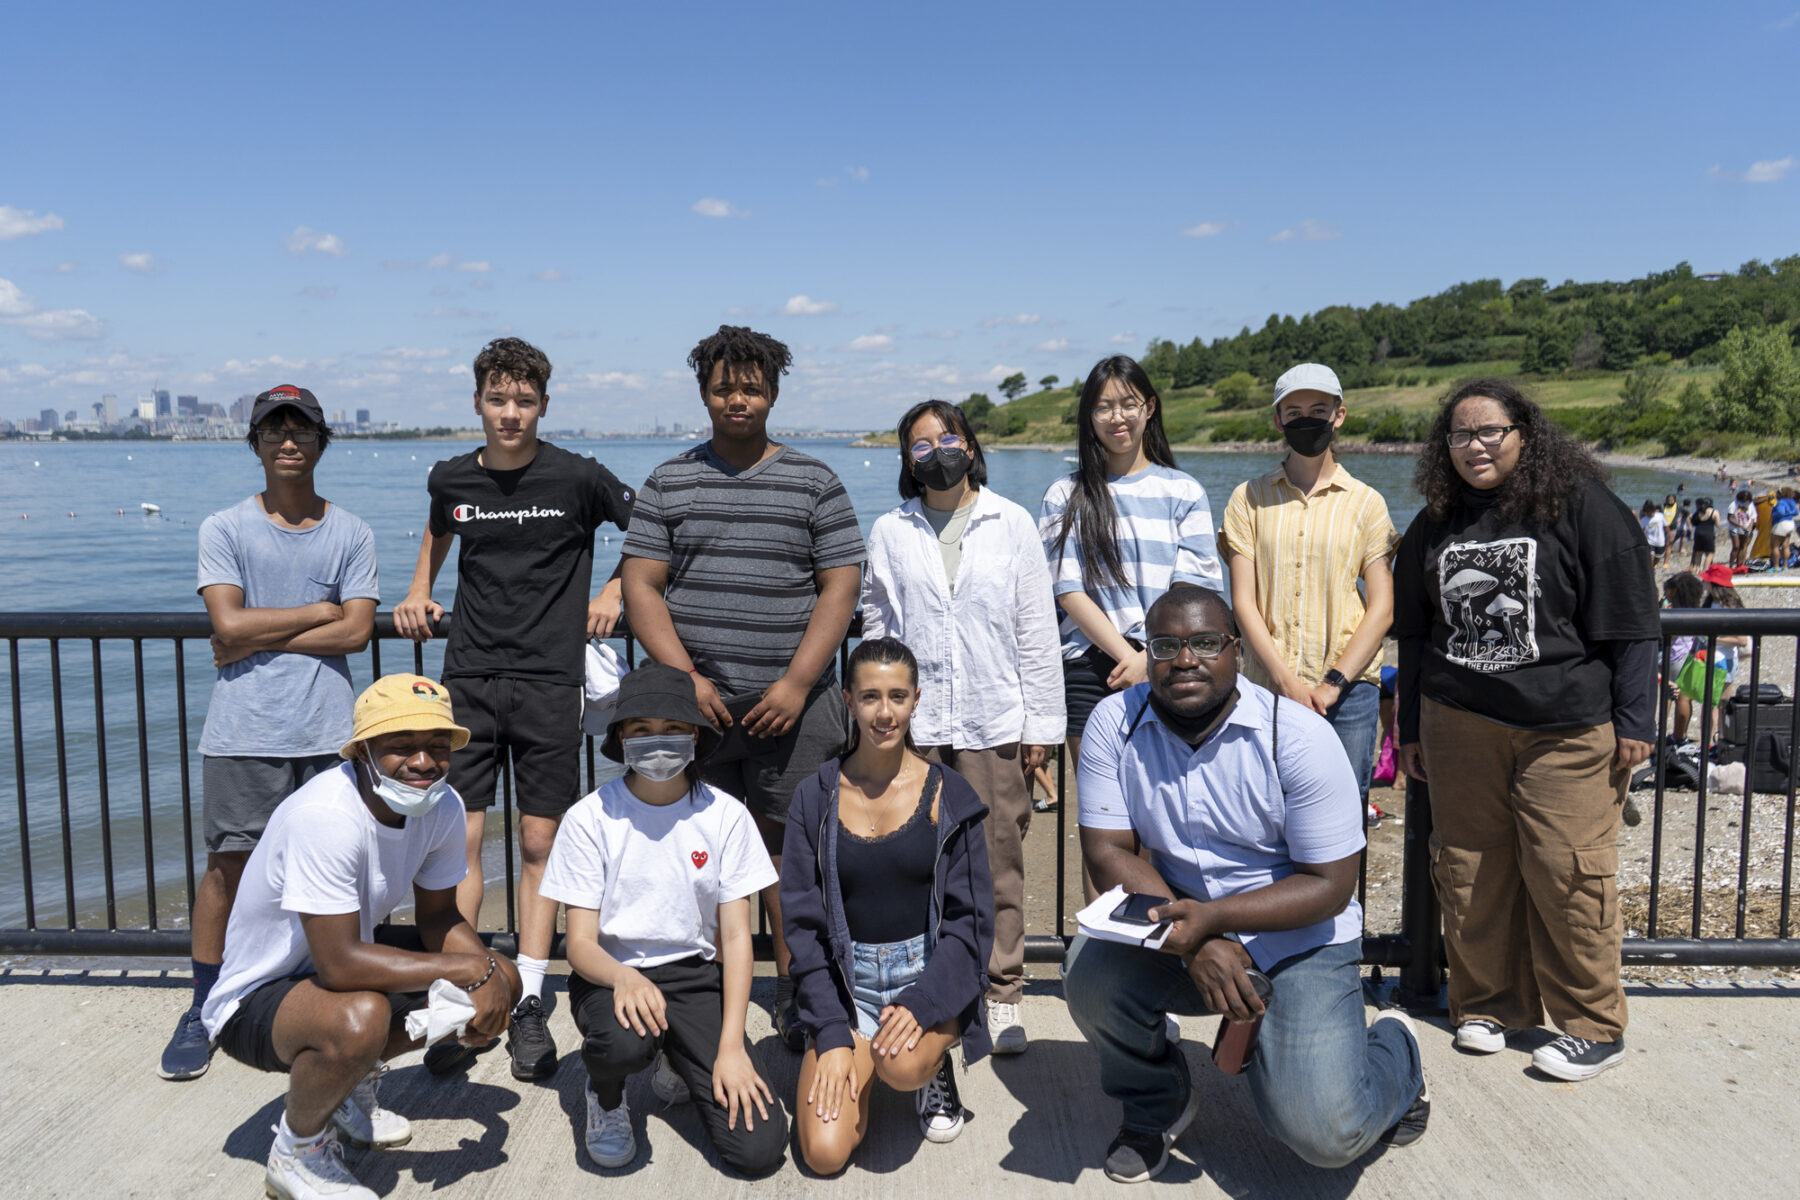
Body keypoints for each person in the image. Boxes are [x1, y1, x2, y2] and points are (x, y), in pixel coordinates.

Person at [1063, 589, 1426, 1182]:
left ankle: (1397, 1050)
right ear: (1147, 654)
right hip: (1179, 927)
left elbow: (1331, 885)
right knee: (1090, 975)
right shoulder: (1114, 722)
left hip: (1298, 939)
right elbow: (1106, 852)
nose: (1185, 660)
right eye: (1165, 646)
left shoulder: (1300, 736)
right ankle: (1158, 1101)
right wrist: (1199, 939)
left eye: (1206, 643)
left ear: (1237, 651)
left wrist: (1213, 922)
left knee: (1327, 1136)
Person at [1395, 378, 1658, 1082]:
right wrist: (1412, 725)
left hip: (1566, 728)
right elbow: (1416, 634)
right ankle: (1488, 1005)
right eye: (1458, 435)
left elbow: (1633, 619)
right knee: (1470, 868)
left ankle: (1593, 1025)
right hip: (1459, 722)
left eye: (1489, 433)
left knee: (1568, 869)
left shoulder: (1582, 506)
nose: (1473, 447)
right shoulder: (1437, 520)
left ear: (1525, 435)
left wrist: (1636, 720)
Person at [394, 337, 636, 1080]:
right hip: (466, 677)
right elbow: (441, 523)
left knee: (540, 845)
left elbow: (652, 527)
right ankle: (465, 990)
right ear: (477, 403)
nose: (510, 413)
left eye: (524, 401)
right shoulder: (451, 475)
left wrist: (617, 590)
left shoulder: (579, 476)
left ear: (543, 404)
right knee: (453, 846)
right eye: (497, 400)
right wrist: (416, 588)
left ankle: (528, 997)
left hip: (549, 680)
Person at [621, 325, 866, 1050]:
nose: (738, 398)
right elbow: (642, 586)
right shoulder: (669, 480)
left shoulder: (815, 481)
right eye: (724, 386)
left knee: (797, 860)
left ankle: (803, 994)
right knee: (686, 858)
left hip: (797, 711)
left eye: (751, 386)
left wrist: (795, 681)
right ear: (704, 393)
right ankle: (691, 997)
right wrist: (684, 679)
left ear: (773, 392)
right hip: (694, 714)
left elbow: (840, 586)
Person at [200, 674, 522, 1200]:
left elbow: (439, 918)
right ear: (363, 750)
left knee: (499, 974)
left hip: (336, 979)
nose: (423, 762)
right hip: (255, 1001)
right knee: (361, 1016)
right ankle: (296, 1152)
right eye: (401, 746)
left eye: (437, 746)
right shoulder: (325, 816)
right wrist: (469, 970)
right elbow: (341, 967)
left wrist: (489, 977)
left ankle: (344, 1087)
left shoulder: (439, 805)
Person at [161, 385, 380, 1082]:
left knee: (338, 874)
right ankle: (203, 1006)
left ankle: (325, 991)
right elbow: (227, 625)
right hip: (243, 733)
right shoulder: (223, 528)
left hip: (329, 735)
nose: (289, 443)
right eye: (274, 432)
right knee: (228, 869)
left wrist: (265, 630)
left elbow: (358, 629)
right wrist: (316, 610)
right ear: (254, 443)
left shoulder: (351, 532)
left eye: (302, 432)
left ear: (321, 442)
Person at [861, 399, 1063, 1055]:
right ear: (907, 463)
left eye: (947, 438)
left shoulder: (1013, 524)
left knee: (997, 860)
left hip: (993, 719)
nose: (937, 452)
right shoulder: (892, 531)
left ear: (971, 446)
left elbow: (1036, 633)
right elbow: (878, 627)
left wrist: (1041, 727)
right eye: (920, 445)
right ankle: (937, 992)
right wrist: (881, 712)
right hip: (918, 726)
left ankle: (1002, 993)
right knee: (918, 864)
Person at [538, 664, 788, 1176]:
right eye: (641, 731)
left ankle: (677, 1056)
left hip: (695, 978)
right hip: (610, 975)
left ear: (695, 736)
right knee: (622, 1043)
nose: (658, 743)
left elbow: (738, 938)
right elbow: (579, 943)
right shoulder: (590, 817)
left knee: (759, 1151)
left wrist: (731, 1045)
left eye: (673, 729)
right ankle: (606, 1096)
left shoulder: (725, 815)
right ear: (621, 739)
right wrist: (623, 976)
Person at [782, 638, 996, 1172]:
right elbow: (803, 927)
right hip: (847, 986)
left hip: (923, 977)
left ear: (916, 699)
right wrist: (831, 1031)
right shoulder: (815, 797)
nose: (884, 712)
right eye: (870, 696)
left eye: (897, 696)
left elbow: (971, 923)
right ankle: (860, 1059)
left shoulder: (949, 794)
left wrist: (926, 1002)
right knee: (826, 1154)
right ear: (849, 702)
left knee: (902, 1064)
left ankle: (933, 1057)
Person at [1221, 362, 1397, 822]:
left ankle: (1337, 898)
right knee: (1265, 811)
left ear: (1339, 415)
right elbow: (1243, 601)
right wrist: (1284, 682)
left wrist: (1332, 683)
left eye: (1319, 409)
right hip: (1266, 687)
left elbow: (1381, 607)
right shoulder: (1248, 498)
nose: (1307, 420)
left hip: (1351, 689)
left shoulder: (1367, 502)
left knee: (1340, 815)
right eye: (1293, 411)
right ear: (1278, 421)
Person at [1039, 355, 1223, 795]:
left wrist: (1150, 657)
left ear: (1150, 408)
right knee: (1102, 816)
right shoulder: (1064, 494)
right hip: (1089, 667)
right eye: (1103, 407)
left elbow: (1192, 589)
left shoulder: (1183, 491)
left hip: (1171, 661)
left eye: (1128, 404)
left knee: (1167, 805)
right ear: (1089, 417)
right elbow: (1067, 590)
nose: (1116, 417)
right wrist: (1128, 655)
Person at [1770, 487, 1799, 569]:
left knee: (1775, 546)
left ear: (1781, 494)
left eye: (1777, 493)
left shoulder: (1781, 502)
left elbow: (1780, 512)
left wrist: (1773, 515)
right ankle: (1785, 566)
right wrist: (1789, 513)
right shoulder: (1792, 501)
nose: (1776, 494)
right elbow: (1796, 512)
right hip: (1790, 523)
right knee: (1785, 546)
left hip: (1781, 523)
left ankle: (1776, 567)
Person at [1727, 489, 1757, 567]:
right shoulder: (1734, 504)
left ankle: (1739, 565)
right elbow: (1730, 518)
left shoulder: (1750, 504)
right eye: (1743, 500)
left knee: (1743, 546)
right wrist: (1740, 525)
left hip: (1747, 528)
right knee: (1736, 546)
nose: (1744, 501)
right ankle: (1731, 565)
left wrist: (1750, 526)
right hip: (1735, 529)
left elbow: (1753, 517)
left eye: (1746, 500)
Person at [1688, 497, 1719, 571]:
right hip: (1708, 533)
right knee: (1710, 554)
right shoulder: (1714, 511)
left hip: (1698, 533)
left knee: (1699, 553)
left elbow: (1693, 521)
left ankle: (1697, 570)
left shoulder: (1699, 511)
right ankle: (1704, 570)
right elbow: (1718, 524)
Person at [1639, 501, 1667, 567]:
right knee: (1651, 556)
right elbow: (1642, 531)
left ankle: (1654, 565)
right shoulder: (1644, 520)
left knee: (1658, 557)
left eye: (1650, 512)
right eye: (1647, 512)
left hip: (1660, 541)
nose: (1649, 514)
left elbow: (1666, 526)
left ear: (1654, 511)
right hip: (1650, 541)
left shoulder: (1660, 516)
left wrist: (1669, 535)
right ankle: (1650, 569)